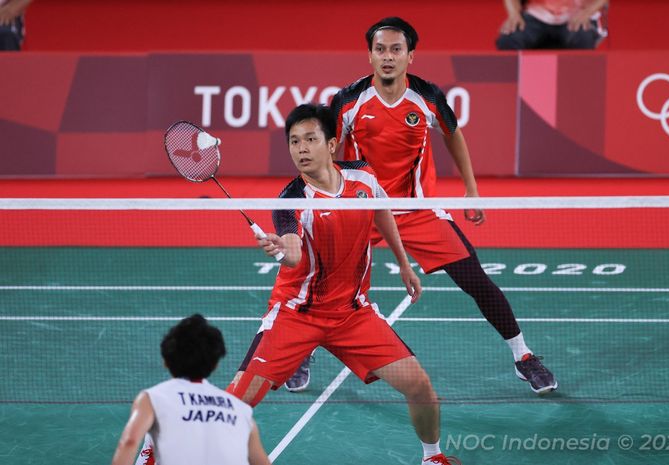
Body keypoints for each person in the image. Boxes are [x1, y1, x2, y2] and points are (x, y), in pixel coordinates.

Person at [286, 17, 557, 396]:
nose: (388, 57)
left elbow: (453, 135)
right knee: (321, 283)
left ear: (410, 56)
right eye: (380, 49)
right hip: (361, 210)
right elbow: (323, 150)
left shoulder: (427, 97)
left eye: (396, 49)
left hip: (417, 209)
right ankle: (301, 352)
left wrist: (471, 189)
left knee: (475, 280)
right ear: (369, 55)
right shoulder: (347, 101)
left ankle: (523, 356)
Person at [226, 103, 460, 465]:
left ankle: (433, 457)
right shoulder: (289, 201)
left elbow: (381, 211)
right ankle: (155, 445)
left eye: (309, 139)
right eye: (293, 142)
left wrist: (403, 263)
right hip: (297, 315)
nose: (301, 149)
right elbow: (292, 255)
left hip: (353, 315)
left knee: (420, 386)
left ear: (332, 144)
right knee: (235, 406)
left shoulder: (363, 177)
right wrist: (280, 248)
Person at [111, 314, 271, 465]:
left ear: (166, 361)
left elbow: (130, 441)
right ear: (215, 366)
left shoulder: (153, 399)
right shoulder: (240, 410)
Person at [496, 0, 608, 50]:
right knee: (509, 39)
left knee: (583, 38)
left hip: (574, 15)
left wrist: (586, 13)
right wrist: (514, 14)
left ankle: (577, 87)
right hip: (536, 15)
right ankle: (513, 88)